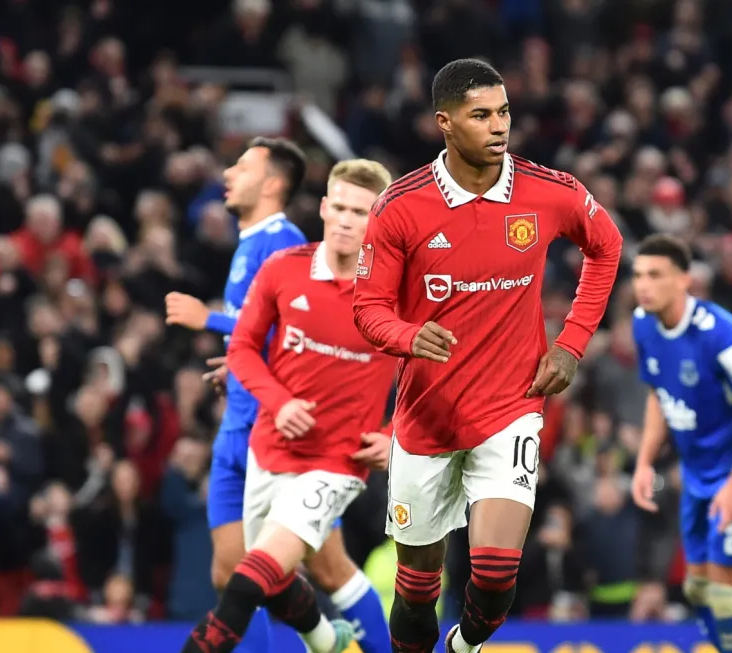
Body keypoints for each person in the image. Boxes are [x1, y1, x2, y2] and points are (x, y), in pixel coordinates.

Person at [352, 58, 623, 653]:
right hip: (426, 417)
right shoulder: (400, 207)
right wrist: (405, 335)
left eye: (503, 111)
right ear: (445, 123)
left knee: (496, 577)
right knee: (418, 590)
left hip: (511, 407)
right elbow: (367, 308)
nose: (499, 126)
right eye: (482, 115)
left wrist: (571, 342)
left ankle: (464, 647)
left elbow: (607, 247)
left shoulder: (548, 191)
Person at [178, 159, 400, 653]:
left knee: (245, 583)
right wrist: (277, 404)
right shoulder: (285, 269)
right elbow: (242, 349)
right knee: (276, 581)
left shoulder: (397, 293)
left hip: (337, 465)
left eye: (360, 212)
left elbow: (438, 377)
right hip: (269, 448)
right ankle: (328, 642)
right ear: (323, 207)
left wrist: (395, 434)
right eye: (338, 207)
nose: (345, 220)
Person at [628, 234, 732, 653]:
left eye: (655, 275)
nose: (643, 285)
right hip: (696, 473)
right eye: (639, 275)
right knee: (696, 589)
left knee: (726, 596)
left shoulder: (720, 333)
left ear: (683, 280)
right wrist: (643, 463)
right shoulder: (643, 323)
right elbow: (659, 395)